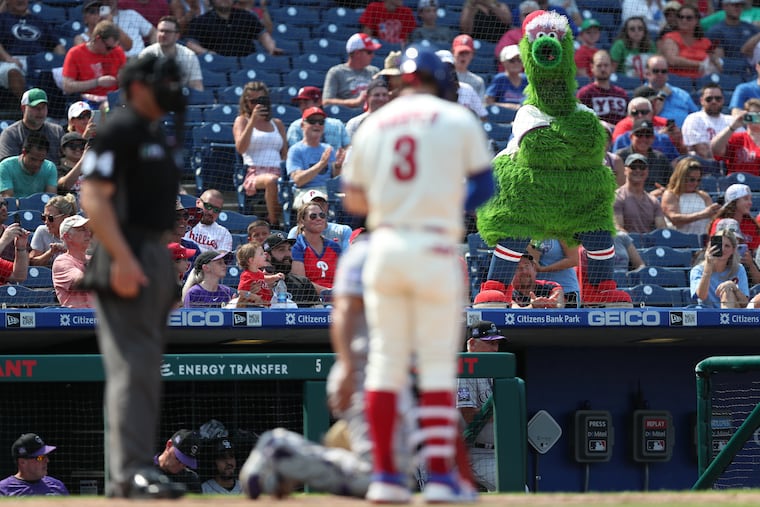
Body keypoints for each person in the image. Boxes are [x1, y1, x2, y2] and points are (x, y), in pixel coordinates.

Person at [343, 47, 493, 502]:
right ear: (438, 78)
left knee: (386, 365)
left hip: (385, 246)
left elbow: (352, 201)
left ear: (403, 80)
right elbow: (485, 187)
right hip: (434, 245)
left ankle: (387, 479)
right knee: (434, 369)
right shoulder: (455, 117)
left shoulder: (375, 123)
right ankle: (443, 481)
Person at [78, 53, 187, 499]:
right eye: (163, 80)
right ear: (139, 86)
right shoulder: (118, 128)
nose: (172, 87)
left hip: (152, 251)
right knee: (132, 366)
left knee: (145, 368)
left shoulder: (151, 132)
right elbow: (93, 196)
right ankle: (130, 474)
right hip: (126, 249)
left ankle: (138, 468)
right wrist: (123, 259)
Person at [456, 320, 507, 492]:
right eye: (490, 343)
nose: (495, 348)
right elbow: (469, 416)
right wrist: (504, 410)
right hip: (474, 452)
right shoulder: (467, 372)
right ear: (472, 344)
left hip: (495, 452)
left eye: (496, 343)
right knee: (514, 488)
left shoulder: (494, 372)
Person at [234, 81, 287, 226]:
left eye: (261, 100)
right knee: (271, 181)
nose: (257, 104)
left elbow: (285, 153)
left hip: (278, 171)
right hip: (255, 172)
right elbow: (240, 148)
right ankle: (275, 222)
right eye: (252, 101)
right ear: (246, 102)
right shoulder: (242, 121)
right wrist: (252, 121)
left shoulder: (277, 123)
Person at [0, 0, 66, 101]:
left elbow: (56, 45)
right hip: (12, 61)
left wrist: (62, 60)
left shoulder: (38, 21)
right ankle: (29, 106)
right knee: (12, 72)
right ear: (8, 1)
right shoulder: (3, 19)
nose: (21, 1)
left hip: (39, 61)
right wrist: (8, 58)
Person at [286, 107, 345, 211]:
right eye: (312, 121)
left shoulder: (327, 148)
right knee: (320, 202)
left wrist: (338, 166)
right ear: (302, 125)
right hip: (304, 191)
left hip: (328, 191)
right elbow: (298, 181)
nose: (317, 125)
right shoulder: (295, 150)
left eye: (321, 122)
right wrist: (321, 164)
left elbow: (334, 177)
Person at [184, 0, 281, 57]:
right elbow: (191, 44)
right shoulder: (201, 21)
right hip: (219, 66)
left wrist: (271, 48)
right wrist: (208, 53)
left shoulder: (247, 16)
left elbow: (263, 34)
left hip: (247, 62)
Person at [62, 20, 127, 104]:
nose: (110, 51)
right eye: (108, 47)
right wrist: (97, 82)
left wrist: (123, 79)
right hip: (87, 103)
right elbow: (67, 86)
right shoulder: (75, 53)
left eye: (113, 48)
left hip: (114, 101)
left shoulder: (117, 51)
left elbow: (124, 81)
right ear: (98, 39)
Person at [0, 88, 64, 164]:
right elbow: (8, 166)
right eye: (35, 107)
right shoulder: (10, 134)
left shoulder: (57, 131)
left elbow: (65, 160)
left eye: (43, 107)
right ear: (23, 108)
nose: (40, 111)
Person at [140, 16, 203, 91]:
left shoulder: (189, 55)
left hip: (181, 98)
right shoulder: (146, 54)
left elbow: (197, 86)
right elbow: (140, 86)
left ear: (177, 36)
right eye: (161, 31)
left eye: (168, 32)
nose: (163, 35)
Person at [290, 202, 342, 292]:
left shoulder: (334, 247)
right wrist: (327, 292)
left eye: (322, 215)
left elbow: (343, 278)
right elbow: (301, 283)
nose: (319, 219)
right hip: (310, 300)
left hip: (336, 296)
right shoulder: (296, 246)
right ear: (302, 221)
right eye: (313, 216)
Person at [661, 157, 720, 235]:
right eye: (692, 180)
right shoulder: (670, 195)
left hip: (704, 241)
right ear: (681, 178)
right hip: (680, 242)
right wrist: (703, 214)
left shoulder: (704, 196)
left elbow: (712, 220)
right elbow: (675, 219)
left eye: (698, 180)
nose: (695, 183)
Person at [691, 228, 749, 308]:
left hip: (732, 313)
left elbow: (745, 303)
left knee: (727, 291)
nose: (722, 249)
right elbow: (701, 296)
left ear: (733, 250)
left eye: (727, 246)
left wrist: (733, 287)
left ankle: (725, 319)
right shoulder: (698, 270)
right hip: (707, 313)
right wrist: (708, 268)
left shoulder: (739, 269)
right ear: (710, 246)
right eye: (718, 245)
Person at [661, 4, 722, 79]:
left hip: (702, 82)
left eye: (688, 18)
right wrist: (700, 65)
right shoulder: (670, 37)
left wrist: (716, 62)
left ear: (696, 20)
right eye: (681, 17)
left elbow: (716, 62)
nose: (684, 20)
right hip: (678, 81)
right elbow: (672, 60)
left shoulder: (705, 42)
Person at [262, 232, 322, 306]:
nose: (288, 254)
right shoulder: (256, 282)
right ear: (267, 256)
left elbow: (318, 314)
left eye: (289, 249)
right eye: (281, 250)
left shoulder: (303, 283)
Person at [323, 33, 382, 108]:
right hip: (346, 116)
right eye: (369, 52)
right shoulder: (336, 72)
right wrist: (356, 102)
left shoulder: (374, 71)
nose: (373, 55)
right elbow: (326, 102)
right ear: (357, 53)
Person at [614, 118, 675, 191]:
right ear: (631, 137)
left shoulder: (660, 158)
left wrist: (662, 191)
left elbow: (671, 184)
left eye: (648, 135)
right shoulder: (619, 157)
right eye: (639, 135)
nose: (643, 139)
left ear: (653, 138)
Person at [614, 153, 668, 234]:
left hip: (649, 244)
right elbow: (618, 228)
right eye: (633, 167)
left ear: (647, 172)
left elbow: (662, 229)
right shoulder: (617, 197)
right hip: (625, 244)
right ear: (625, 170)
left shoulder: (653, 201)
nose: (638, 170)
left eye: (642, 167)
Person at [0, 433, 68, 496]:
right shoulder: (3, 490)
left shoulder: (57, 486)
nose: (47, 460)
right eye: (40, 458)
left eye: (46, 456)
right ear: (22, 462)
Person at [286, 86, 351, 152]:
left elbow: (347, 147)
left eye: (306, 102)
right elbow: (295, 152)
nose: (302, 107)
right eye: (300, 103)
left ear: (319, 102)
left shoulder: (337, 125)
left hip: (336, 161)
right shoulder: (296, 126)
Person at [286, 189, 353, 252]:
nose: (318, 208)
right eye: (313, 204)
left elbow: (347, 257)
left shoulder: (344, 230)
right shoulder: (295, 232)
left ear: (327, 206)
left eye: (322, 204)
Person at [642, 54, 698, 128]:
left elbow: (697, 117)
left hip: (683, 136)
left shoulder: (682, 94)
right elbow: (644, 118)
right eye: (656, 71)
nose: (660, 74)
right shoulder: (641, 94)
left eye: (663, 71)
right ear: (647, 73)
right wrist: (662, 95)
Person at [576, 50, 629, 125]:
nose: (603, 69)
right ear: (592, 67)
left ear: (611, 67)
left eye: (606, 65)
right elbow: (580, 120)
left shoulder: (622, 94)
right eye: (599, 66)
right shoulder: (585, 93)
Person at [681, 84, 732, 161]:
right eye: (709, 99)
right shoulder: (694, 118)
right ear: (702, 101)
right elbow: (702, 151)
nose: (714, 102)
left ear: (723, 100)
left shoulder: (732, 120)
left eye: (718, 99)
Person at [0, 131, 58, 198]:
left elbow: (51, 198)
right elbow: (8, 199)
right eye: (33, 159)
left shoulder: (50, 167)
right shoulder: (6, 166)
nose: (37, 164)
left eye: (41, 160)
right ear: (24, 152)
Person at [52, 215, 93, 308]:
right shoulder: (62, 261)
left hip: (98, 318)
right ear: (67, 237)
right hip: (76, 319)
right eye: (82, 229)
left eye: (88, 229)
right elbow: (82, 282)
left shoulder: (93, 259)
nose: (88, 233)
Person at [712, 98, 760, 176]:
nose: (756, 118)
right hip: (738, 183)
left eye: (758, 114)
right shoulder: (736, 139)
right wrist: (733, 126)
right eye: (752, 115)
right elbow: (715, 150)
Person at [29, 193, 78, 267]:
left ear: (65, 218)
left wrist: (68, 251)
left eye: (50, 218)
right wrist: (50, 253)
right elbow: (32, 263)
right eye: (44, 217)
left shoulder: (79, 234)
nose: (46, 222)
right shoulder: (42, 231)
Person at [708, 183, 760, 252]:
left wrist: (750, 262)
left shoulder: (750, 224)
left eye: (750, 199)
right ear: (734, 202)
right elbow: (716, 251)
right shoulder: (720, 223)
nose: (750, 203)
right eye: (746, 199)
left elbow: (756, 251)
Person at [529, 238, 580, 308]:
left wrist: (543, 269)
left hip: (566, 290)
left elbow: (573, 260)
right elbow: (534, 261)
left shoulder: (563, 231)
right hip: (538, 291)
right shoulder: (531, 232)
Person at [235, 241, 284, 306]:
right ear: (251, 260)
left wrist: (275, 277)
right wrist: (253, 297)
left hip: (265, 306)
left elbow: (265, 279)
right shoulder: (246, 275)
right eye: (261, 254)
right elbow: (241, 292)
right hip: (252, 307)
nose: (265, 254)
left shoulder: (259, 272)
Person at [495, 0, 539, 71]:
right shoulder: (511, 34)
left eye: (533, 14)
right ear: (520, 17)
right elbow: (500, 54)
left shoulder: (545, 35)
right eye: (526, 15)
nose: (529, 17)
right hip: (515, 75)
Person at [184, 189, 233, 253]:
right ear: (198, 202)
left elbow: (222, 258)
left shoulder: (224, 233)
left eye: (216, 210)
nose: (211, 212)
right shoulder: (182, 223)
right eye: (208, 206)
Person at [154, 429, 202, 494]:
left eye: (186, 463)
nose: (181, 465)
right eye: (178, 459)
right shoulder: (146, 469)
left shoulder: (191, 479)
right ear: (169, 445)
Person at [485, 45, 527, 110]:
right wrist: (509, 106)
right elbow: (488, 102)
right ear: (503, 62)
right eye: (512, 60)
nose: (516, 63)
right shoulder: (500, 79)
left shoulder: (527, 79)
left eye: (519, 60)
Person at [451, 34, 486, 100]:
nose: (463, 56)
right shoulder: (444, 77)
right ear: (453, 52)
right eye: (460, 52)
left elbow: (480, 107)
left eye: (467, 53)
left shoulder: (478, 81)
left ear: (472, 55)